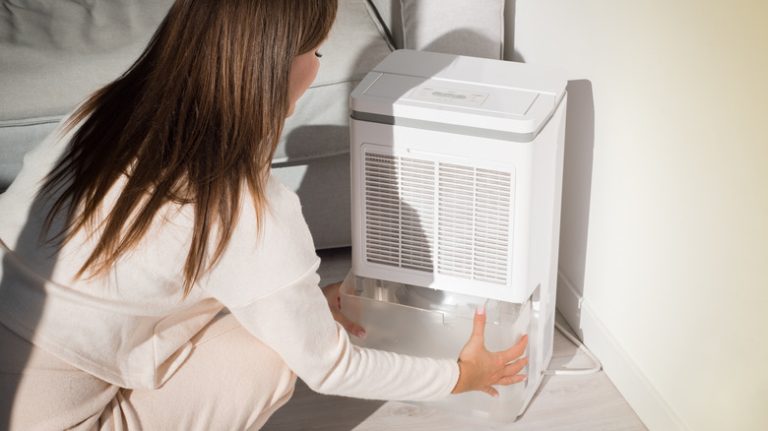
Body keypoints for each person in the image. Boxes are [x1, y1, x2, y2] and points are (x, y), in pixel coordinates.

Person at [0, 0, 528, 429]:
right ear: (276, 66)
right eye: (316, 50)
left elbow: (126, 274)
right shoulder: (244, 210)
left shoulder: (102, 109)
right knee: (269, 356)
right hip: (55, 418)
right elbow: (330, 366)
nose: (318, 65)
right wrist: (460, 375)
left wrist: (296, 303)